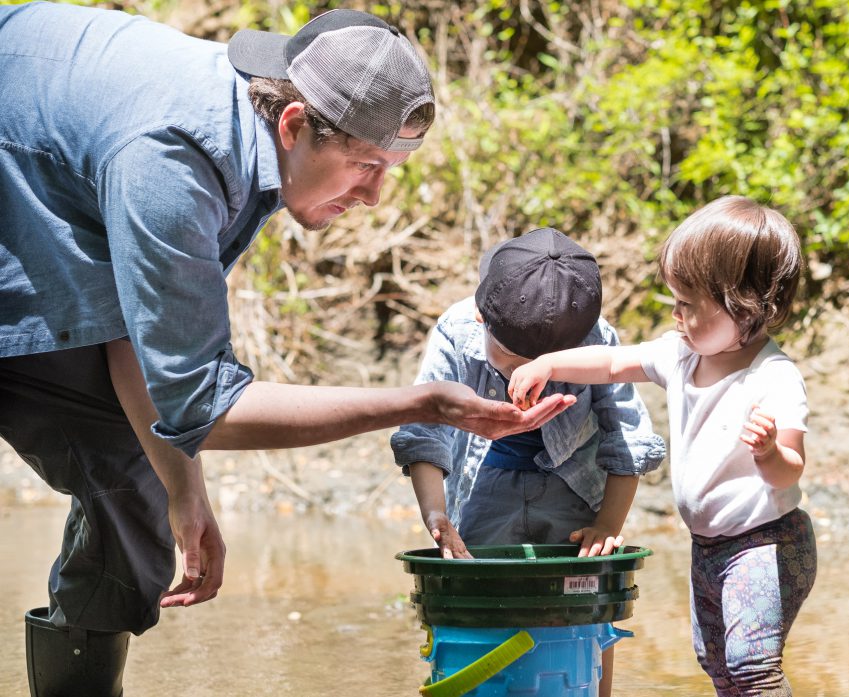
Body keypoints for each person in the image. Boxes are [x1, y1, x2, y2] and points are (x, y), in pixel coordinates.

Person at [0, 5, 572, 696]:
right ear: (295, 123)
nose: (373, 196)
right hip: (19, 179)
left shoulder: (257, 129)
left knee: (137, 494)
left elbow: (143, 332)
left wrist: (186, 490)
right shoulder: (175, 160)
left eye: (390, 169)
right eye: (365, 166)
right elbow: (208, 405)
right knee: (126, 477)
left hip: (49, 176)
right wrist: (421, 404)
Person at [509, 196, 817, 697]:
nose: (675, 315)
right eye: (674, 300)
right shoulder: (682, 355)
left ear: (746, 302)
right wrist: (549, 364)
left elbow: (791, 471)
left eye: (688, 304)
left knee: (751, 667)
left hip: (766, 541)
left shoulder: (774, 378)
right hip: (709, 544)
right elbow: (612, 364)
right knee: (715, 663)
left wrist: (767, 453)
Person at [391, 227, 666, 696]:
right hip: (482, 487)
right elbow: (424, 432)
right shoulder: (457, 333)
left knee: (585, 599)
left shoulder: (595, 339)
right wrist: (437, 516)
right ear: (482, 318)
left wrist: (608, 524)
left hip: (574, 486)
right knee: (480, 603)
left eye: (546, 366)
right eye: (513, 361)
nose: (527, 378)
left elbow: (627, 437)